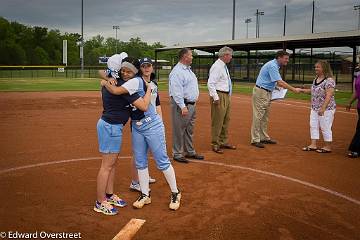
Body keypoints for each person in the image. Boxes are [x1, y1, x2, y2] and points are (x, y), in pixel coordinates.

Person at [102, 57, 182, 211]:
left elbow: (118, 90)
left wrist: (107, 81)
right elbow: (104, 73)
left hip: (152, 125)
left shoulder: (137, 82)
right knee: (140, 161)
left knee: (162, 161)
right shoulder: (132, 80)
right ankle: (145, 194)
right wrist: (108, 77)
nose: (125, 73)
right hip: (137, 126)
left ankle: (175, 192)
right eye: (143, 66)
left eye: (148, 66)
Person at [94, 56, 151, 216]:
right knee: (107, 166)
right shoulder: (124, 88)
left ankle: (109, 195)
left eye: (129, 71)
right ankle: (100, 202)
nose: (126, 73)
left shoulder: (117, 81)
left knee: (112, 164)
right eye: (123, 70)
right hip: (110, 127)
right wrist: (149, 90)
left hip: (111, 126)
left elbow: (102, 74)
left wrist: (107, 79)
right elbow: (144, 106)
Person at [251, 50, 302, 148]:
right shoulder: (273, 66)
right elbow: (280, 82)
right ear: (279, 57)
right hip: (262, 92)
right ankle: (255, 139)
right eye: (286, 58)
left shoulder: (275, 65)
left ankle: (263, 137)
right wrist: (294, 89)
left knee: (264, 116)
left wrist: (275, 87)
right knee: (258, 116)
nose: (287, 61)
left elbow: (272, 81)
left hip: (266, 92)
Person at [169, 48, 204, 163]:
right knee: (179, 130)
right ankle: (177, 153)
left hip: (191, 105)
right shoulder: (177, 71)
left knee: (189, 130)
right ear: (185, 57)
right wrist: (182, 106)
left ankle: (189, 151)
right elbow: (176, 91)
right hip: (182, 105)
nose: (192, 57)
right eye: (191, 55)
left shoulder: (188, 70)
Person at [301, 60, 336, 153]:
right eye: (315, 67)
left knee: (325, 126)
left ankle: (327, 146)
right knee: (313, 125)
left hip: (326, 109)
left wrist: (323, 108)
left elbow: (329, 95)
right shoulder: (316, 78)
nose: (316, 68)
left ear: (324, 68)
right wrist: (302, 90)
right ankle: (313, 144)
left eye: (318, 67)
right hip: (314, 107)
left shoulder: (329, 80)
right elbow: (314, 91)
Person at [207, 46, 236, 154]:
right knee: (218, 121)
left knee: (225, 120)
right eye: (230, 55)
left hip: (226, 95)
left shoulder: (223, 66)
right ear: (225, 55)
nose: (231, 58)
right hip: (219, 95)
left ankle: (223, 141)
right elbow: (211, 83)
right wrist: (215, 97)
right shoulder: (217, 66)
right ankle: (215, 143)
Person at [346, 64, 360, 158]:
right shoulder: (358, 75)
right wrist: (350, 102)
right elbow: (356, 92)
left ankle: (355, 148)